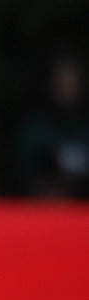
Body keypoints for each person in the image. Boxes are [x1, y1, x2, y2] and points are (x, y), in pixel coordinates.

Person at [16, 51, 88, 199]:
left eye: (71, 81)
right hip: (45, 209)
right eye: (61, 80)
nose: (66, 86)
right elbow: (26, 174)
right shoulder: (36, 128)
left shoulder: (84, 127)